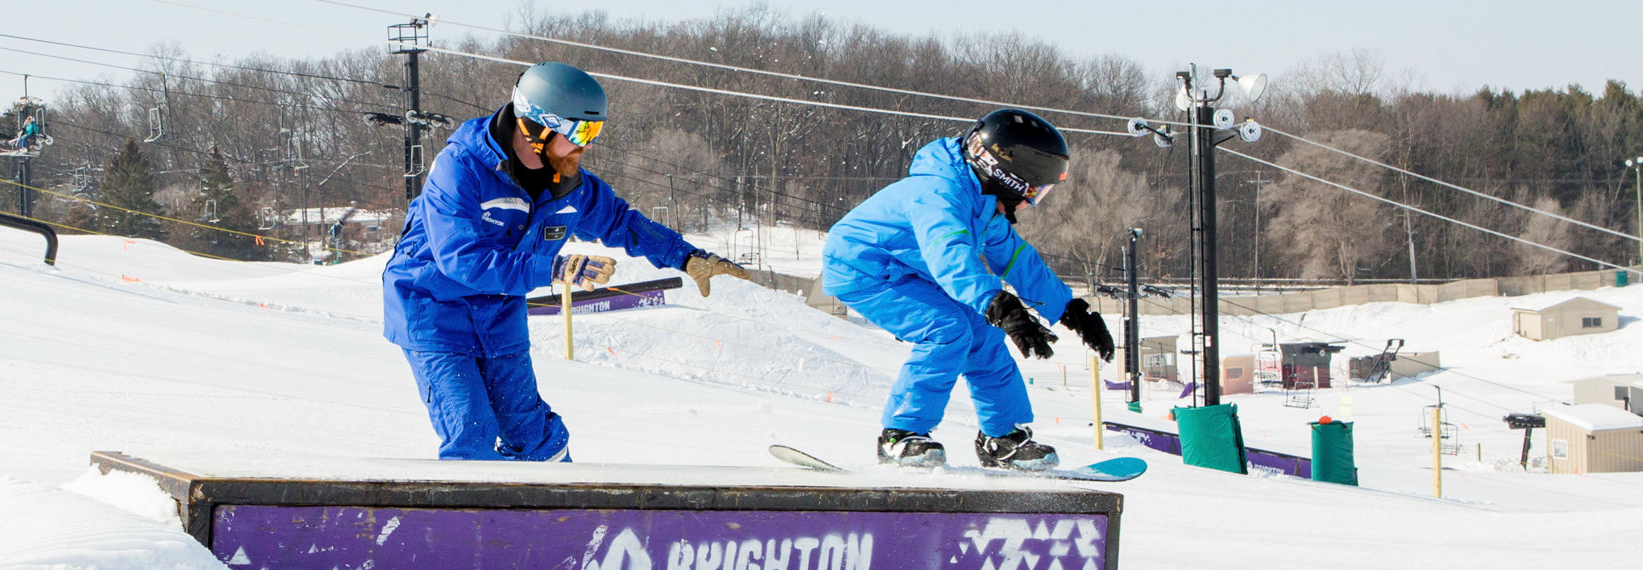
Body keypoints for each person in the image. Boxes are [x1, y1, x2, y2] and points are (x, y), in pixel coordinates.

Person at [382, 62, 748, 462]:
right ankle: (475, 519)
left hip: (500, 306)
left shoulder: (568, 184)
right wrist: (552, 269)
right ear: (537, 126)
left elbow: (622, 222)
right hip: (433, 305)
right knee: (472, 427)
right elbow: (460, 258)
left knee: (531, 431)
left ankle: (562, 516)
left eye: (594, 132)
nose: (586, 145)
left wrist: (687, 256)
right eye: (580, 132)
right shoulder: (462, 167)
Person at [821, 109, 1115, 469]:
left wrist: (1069, 311)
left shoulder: (982, 203)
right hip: (863, 267)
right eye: (1034, 190)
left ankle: (1001, 438)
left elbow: (1018, 259)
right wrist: (997, 303)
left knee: (985, 337)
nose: (1032, 202)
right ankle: (899, 434)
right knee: (947, 330)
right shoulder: (939, 195)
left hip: (912, 268)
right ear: (1006, 176)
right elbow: (949, 255)